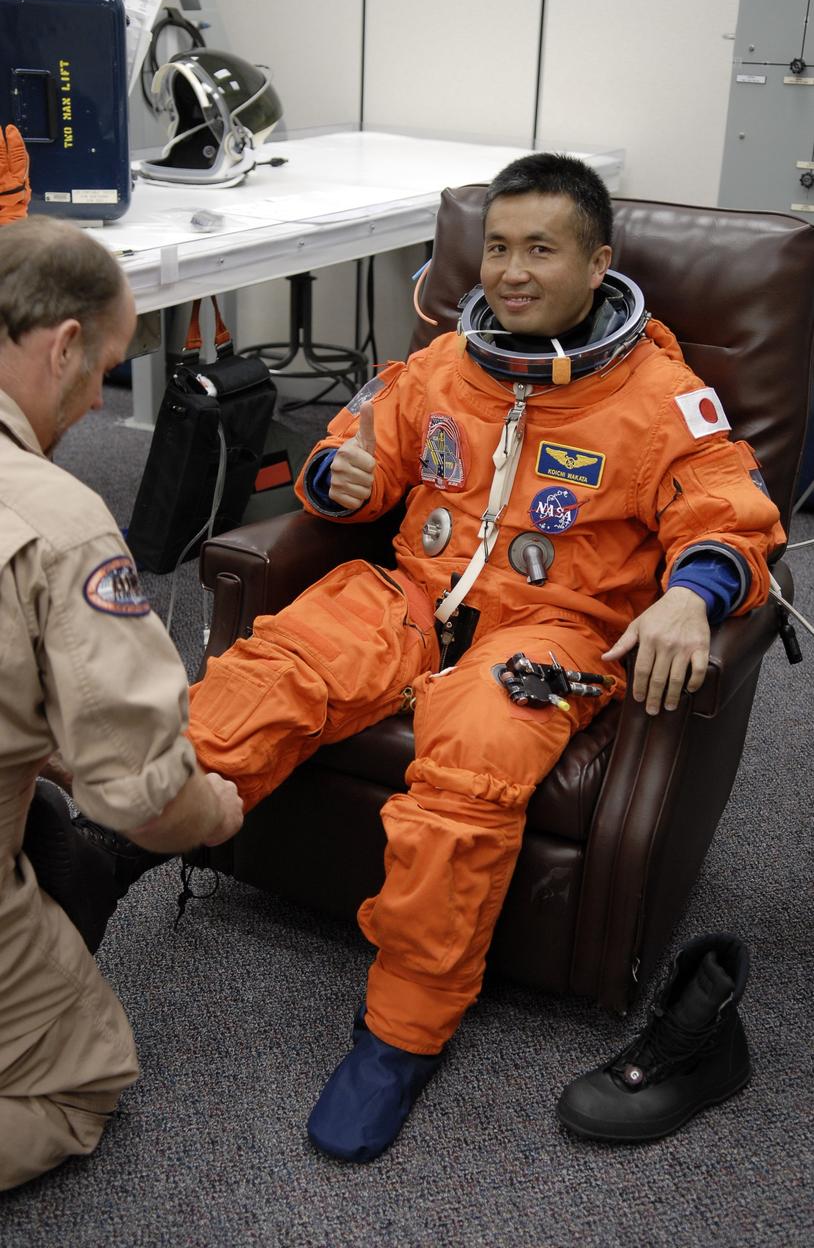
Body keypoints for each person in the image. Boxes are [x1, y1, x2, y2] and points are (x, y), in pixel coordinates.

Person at [187, 153, 784, 1162]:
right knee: (258, 680)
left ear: (597, 263)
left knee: (468, 773)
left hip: (551, 630)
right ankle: (108, 852)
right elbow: (352, 458)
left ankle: (399, 1035)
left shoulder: (660, 396)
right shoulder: (442, 366)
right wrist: (339, 475)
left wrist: (692, 595)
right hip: (412, 597)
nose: (510, 270)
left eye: (540, 249)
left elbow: (731, 514)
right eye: (497, 247)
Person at [0, 215, 244, 1191]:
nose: (99, 398)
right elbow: (144, 798)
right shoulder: (58, 521)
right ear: (62, 344)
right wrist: (209, 810)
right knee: (79, 1083)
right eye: (102, 368)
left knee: (48, 819)